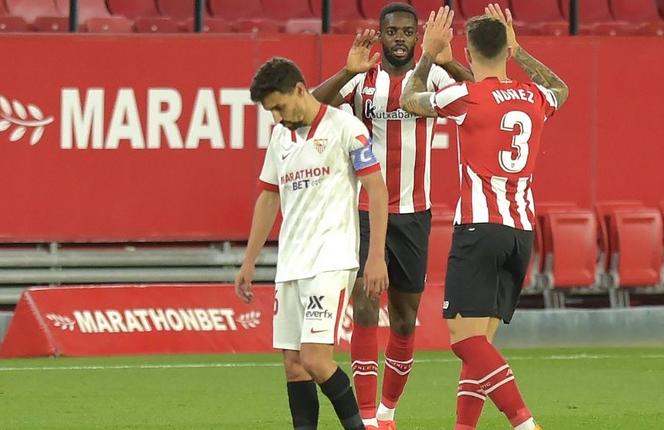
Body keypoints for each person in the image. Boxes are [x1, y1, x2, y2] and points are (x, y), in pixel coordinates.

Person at [400, 4, 569, 430]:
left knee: (466, 341)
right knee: (483, 341)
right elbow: (560, 89)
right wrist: (521, 50)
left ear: (469, 51)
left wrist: (428, 55)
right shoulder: (532, 96)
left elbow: (407, 100)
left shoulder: (465, 97)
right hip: (520, 232)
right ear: (506, 50)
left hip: (480, 228)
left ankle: (524, 423)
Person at [311, 3, 474, 429]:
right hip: (364, 212)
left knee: (403, 318)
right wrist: (347, 71)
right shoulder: (363, 77)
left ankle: (387, 414)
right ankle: (366, 419)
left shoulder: (432, 74)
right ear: (380, 35)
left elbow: (482, 96)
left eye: (406, 31)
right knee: (365, 309)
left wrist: (447, 58)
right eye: (392, 31)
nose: (399, 38)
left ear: (417, 35)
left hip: (414, 215)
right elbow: (310, 107)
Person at [234, 56, 390, 430]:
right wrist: (249, 260)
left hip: (331, 259)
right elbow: (269, 197)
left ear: (300, 90)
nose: (277, 117)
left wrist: (376, 256)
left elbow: (377, 189)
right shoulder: (280, 138)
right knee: (293, 366)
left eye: (280, 107)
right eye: (271, 111)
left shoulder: (345, 127)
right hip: (290, 263)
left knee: (316, 359)